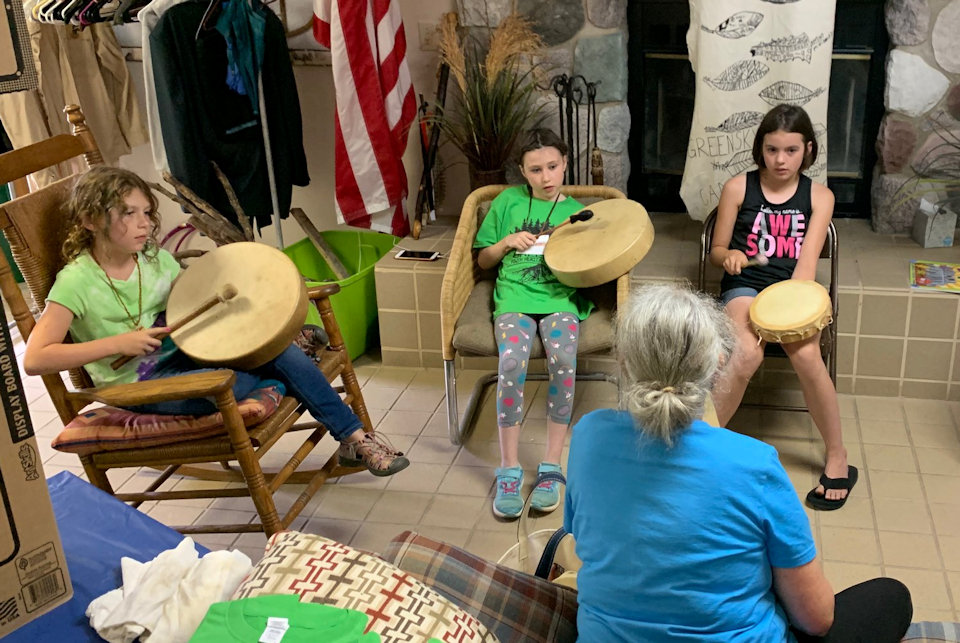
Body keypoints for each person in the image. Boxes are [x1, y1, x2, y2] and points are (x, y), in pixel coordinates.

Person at [564, 283, 912, 642]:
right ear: (718, 363)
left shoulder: (588, 436)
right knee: (891, 596)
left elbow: (588, 540)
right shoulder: (753, 463)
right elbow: (817, 619)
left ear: (623, 362)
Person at [23, 166, 408, 477]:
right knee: (245, 380)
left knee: (279, 354)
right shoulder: (75, 282)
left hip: (191, 352)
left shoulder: (153, 259)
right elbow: (36, 359)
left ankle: (356, 439)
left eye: (146, 213)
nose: (144, 224)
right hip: (143, 384)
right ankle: (292, 367)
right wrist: (116, 345)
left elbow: (191, 300)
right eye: (128, 213)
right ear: (91, 220)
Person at [709, 104, 853, 510]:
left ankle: (838, 454)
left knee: (807, 356)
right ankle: (700, 453)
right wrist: (731, 255)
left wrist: (784, 316)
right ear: (761, 148)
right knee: (744, 354)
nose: (780, 160)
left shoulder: (819, 196)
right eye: (772, 149)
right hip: (744, 287)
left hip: (793, 290)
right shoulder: (738, 188)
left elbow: (805, 270)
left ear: (807, 149)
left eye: (791, 150)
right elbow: (718, 251)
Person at [473, 128, 593, 519]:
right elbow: (483, 261)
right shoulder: (506, 202)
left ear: (565, 164)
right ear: (522, 172)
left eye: (553, 167)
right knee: (511, 364)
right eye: (536, 169)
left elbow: (588, 267)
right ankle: (508, 468)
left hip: (560, 298)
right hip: (513, 298)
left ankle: (551, 466)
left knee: (563, 360)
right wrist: (507, 243)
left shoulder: (576, 211)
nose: (546, 177)